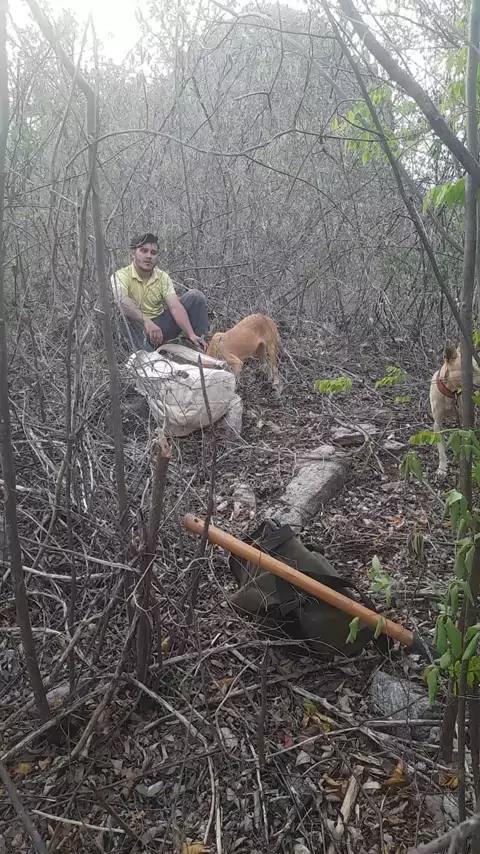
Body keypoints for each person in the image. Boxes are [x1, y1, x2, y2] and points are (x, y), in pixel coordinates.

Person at [111, 232, 208, 351]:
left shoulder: (162, 277)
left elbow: (175, 306)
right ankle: (149, 357)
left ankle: (201, 346)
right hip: (137, 331)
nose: (149, 256)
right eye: (144, 251)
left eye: (153, 253)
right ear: (133, 254)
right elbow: (122, 301)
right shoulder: (121, 275)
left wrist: (191, 334)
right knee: (121, 320)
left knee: (195, 297)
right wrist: (146, 321)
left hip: (160, 330)